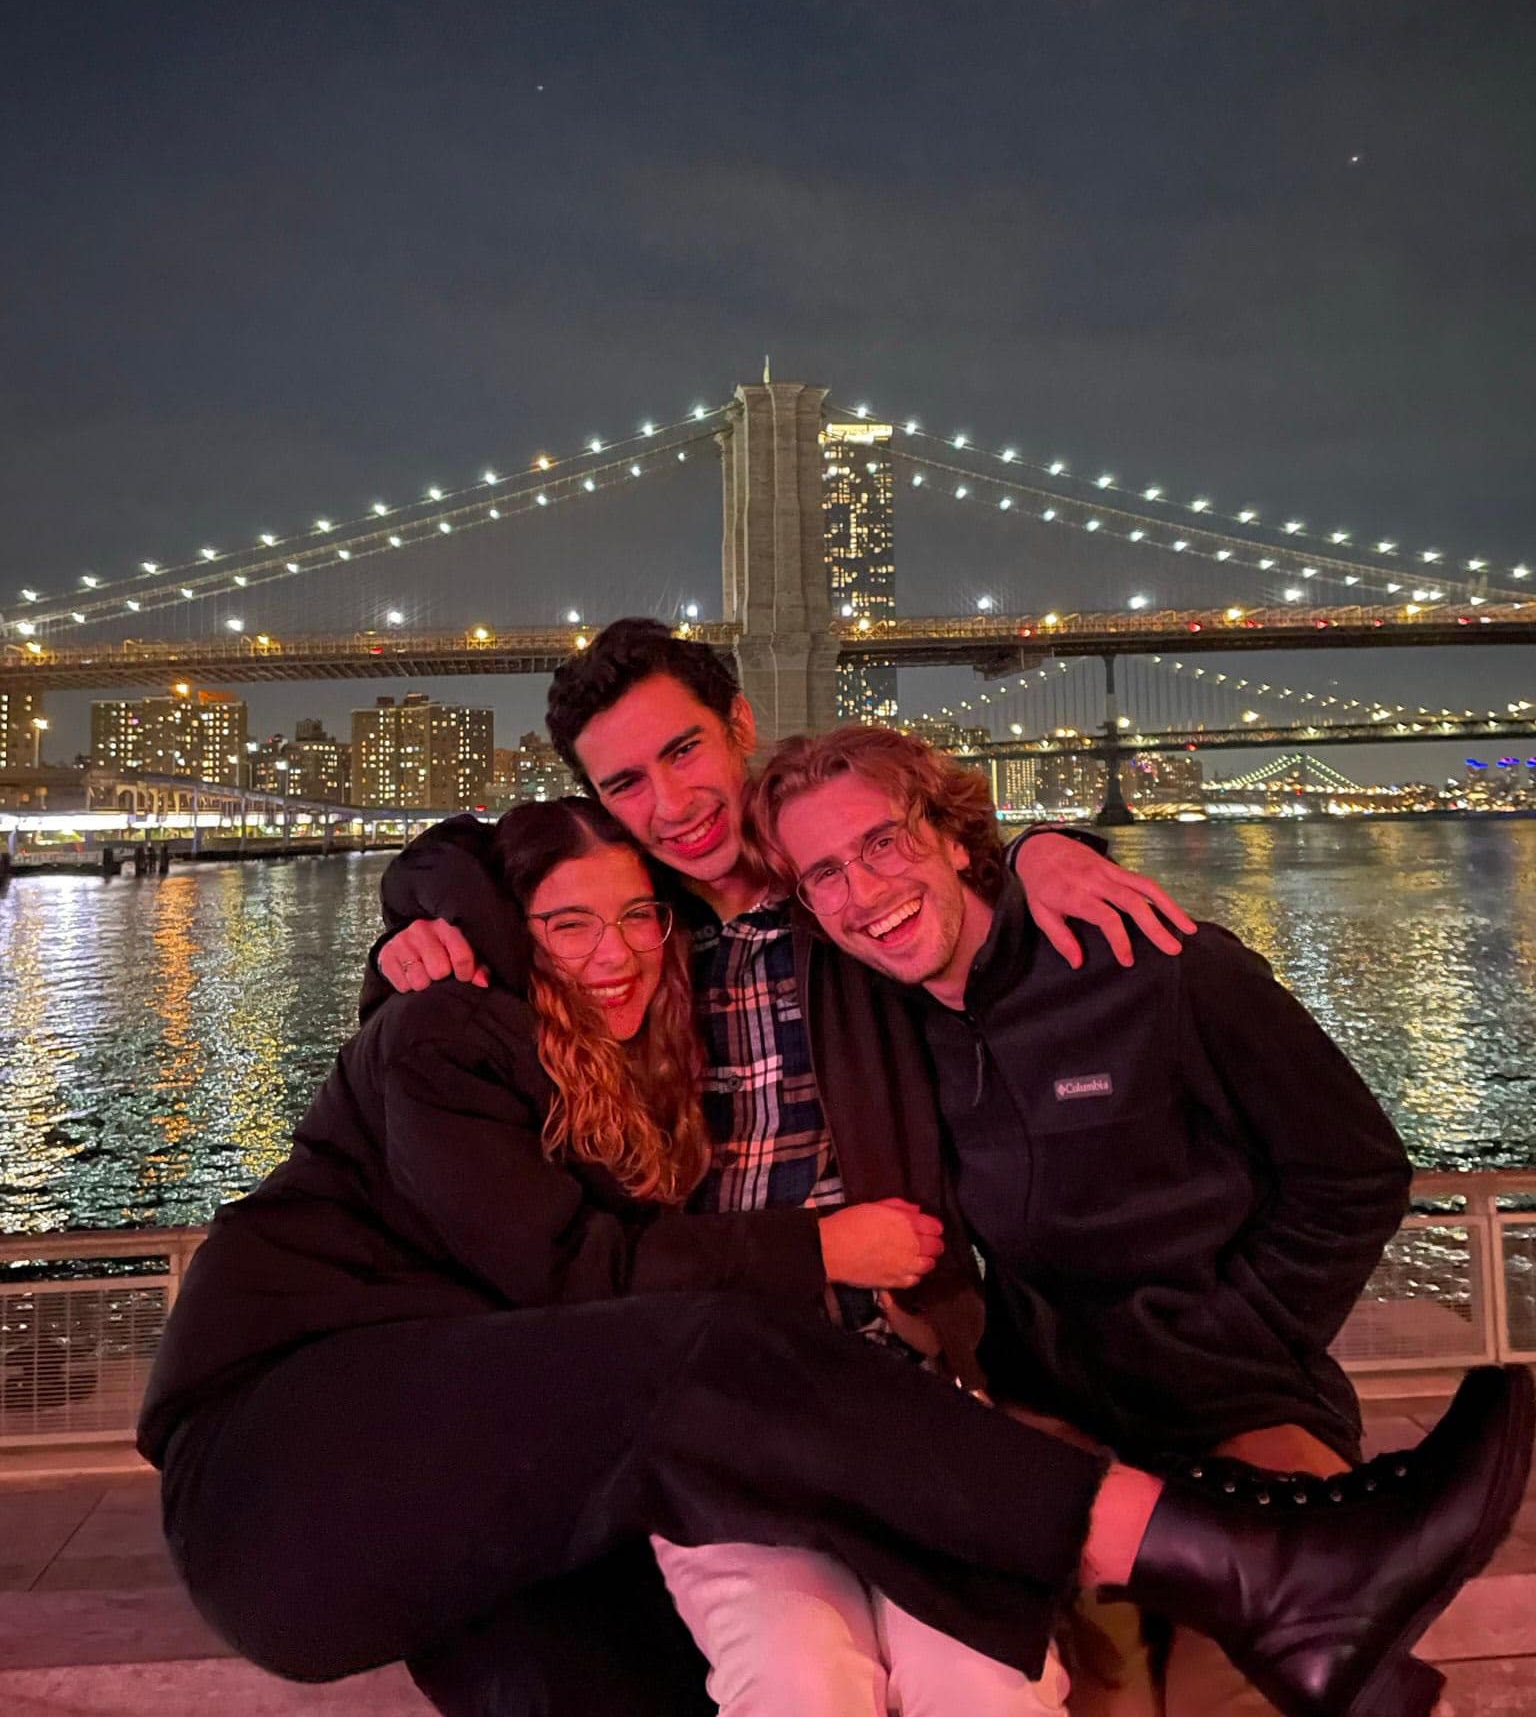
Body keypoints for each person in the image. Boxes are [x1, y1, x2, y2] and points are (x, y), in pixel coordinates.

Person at [136, 788, 1533, 1717]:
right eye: (567, 924)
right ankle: (1248, 1564)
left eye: (640, 917)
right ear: (511, 936)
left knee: (618, 1686)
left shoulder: (663, 1059)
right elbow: (571, 1280)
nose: (619, 954)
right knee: (706, 1358)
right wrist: (819, 1254)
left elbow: (891, 869)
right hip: (293, 1445)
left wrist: (1038, 839)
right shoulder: (447, 1032)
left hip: (483, 1487)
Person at [368, 617, 1198, 1710]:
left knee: (986, 1684)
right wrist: (411, 917)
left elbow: (943, 850)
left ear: (741, 724)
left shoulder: (846, 895)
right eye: (624, 781)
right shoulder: (627, 926)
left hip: (903, 1367)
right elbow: (468, 860)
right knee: (799, 1685)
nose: (669, 803)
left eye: (685, 750)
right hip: (713, 1390)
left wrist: (1045, 842)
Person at [748, 724, 1432, 1715]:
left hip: (1240, 1423)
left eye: (885, 842)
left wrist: (1219, 1340)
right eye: (825, 871)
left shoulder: (1157, 964)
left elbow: (1357, 1173)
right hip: (1065, 1441)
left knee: (1234, 1694)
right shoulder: (899, 1019)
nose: (864, 890)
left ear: (951, 834)